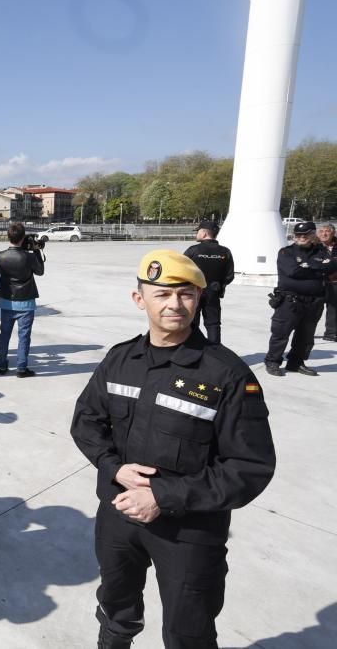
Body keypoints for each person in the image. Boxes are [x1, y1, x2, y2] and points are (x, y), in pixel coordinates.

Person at [70, 249, 275, 649]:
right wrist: (114, 468)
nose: (174, 304)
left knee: (188, 630)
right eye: (162, 294)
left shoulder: (226, 374)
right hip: (119, 513)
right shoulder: (120, 359)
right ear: (139, 299)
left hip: (189, 528)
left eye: (185, 294)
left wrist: (162, 496)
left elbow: (249, 465)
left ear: (199, 299)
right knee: (116, 605)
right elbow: (86, 422)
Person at [264, 221, 334, 376]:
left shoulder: (321, 251)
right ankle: (273, 361)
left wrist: (308, 266)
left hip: (314, 302)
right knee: (281, 333)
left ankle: (296, 363)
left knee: (306, 336)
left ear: (312, 234)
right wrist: (318, 267)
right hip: (290, 301)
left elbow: (331, 267)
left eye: (305, 234)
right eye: (298, 234)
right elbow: (292, 272)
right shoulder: (286, 252)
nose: (301, 237)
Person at [0, 223, 45, 377]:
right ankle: (21, 368)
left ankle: (2, 365)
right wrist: (36, 251)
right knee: (24, 336)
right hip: (26, 301)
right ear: (23, 237)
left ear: (8, 236)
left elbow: (1, 271)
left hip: (7, 300)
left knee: (4, 334)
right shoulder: (29, 256)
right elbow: (40, 271)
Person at [183, 221, 234, 344]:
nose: (196, 234)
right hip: (213, 293)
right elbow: (229, 276)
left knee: (191, 324)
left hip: (193, 292)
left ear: (204, 233)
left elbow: (181, 271)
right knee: (213, 324)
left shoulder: (192, 250)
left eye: (198, 231)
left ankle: (192, 351)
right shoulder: (225, 252)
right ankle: (215, 353)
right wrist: (219, 284)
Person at [317, 223, 337, 341]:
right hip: (318, 282)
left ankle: (331, 333)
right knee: (314, 309)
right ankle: (306, 332)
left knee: (334, 309)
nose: (324, 234)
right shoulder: (314, 246)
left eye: (327, 231)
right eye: (322, 231)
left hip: (335, 282)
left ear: (333, 232)